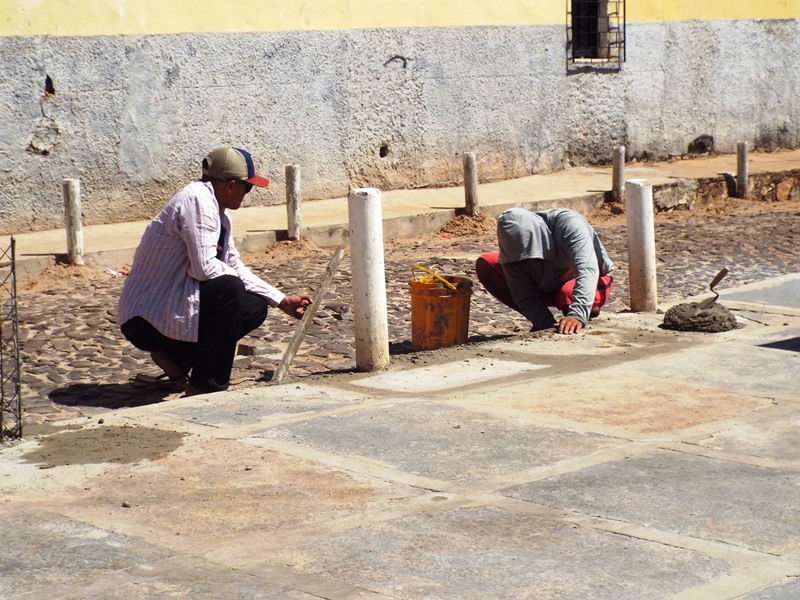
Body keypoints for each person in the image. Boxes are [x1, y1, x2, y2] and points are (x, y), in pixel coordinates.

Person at [118, 146, 312, 397]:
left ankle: (176, 361)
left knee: (254, 306)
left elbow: (233, 264)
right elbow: (204, 268)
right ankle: (205, 387)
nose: (247, 194)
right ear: (231, 185)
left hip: (171, 307)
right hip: (146, 318)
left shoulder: (219, 214)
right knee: (229, 289)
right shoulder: (197, 201)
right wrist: (239, 284)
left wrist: (280, 300)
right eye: (248, 187)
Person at [475, 207, 614, 335]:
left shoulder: (570, 224)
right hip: (547, 286)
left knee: (568, 293)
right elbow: (523, 294)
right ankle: (545, 318)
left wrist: (577, 315)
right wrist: (544, 323)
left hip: (587, 280)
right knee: (487, 264)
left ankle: (589, 307)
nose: (525, 262)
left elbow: (587, 270)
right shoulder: (511, 250)